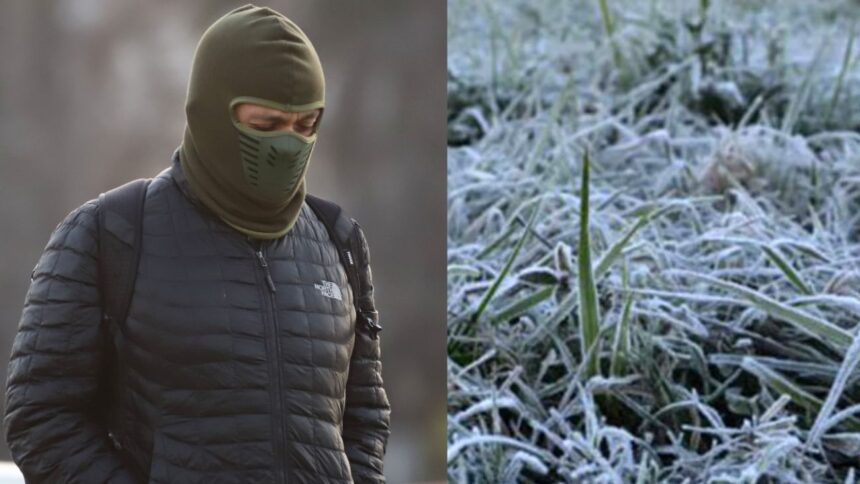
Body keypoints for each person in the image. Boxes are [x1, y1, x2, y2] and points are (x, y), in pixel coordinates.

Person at [3, 5, 391, 483]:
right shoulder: (110, 234)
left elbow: (365, 419)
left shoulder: (340, 243)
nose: (288, 147)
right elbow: (41, 416)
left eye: (305, 126)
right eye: (266, 126)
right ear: (210, 112)